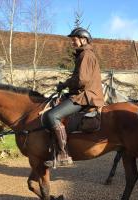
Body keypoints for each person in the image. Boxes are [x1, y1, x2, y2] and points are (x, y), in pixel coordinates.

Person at [44, 27, 104, 167]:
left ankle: (63, 155)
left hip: (85, 97)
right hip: (82, 94)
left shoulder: (86, 55)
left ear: (83, 40)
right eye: (72, 40)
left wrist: (64, 84)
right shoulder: (84, 54)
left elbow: (81, 80)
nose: (72, 42)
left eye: (74, 39)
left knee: (52, 116)